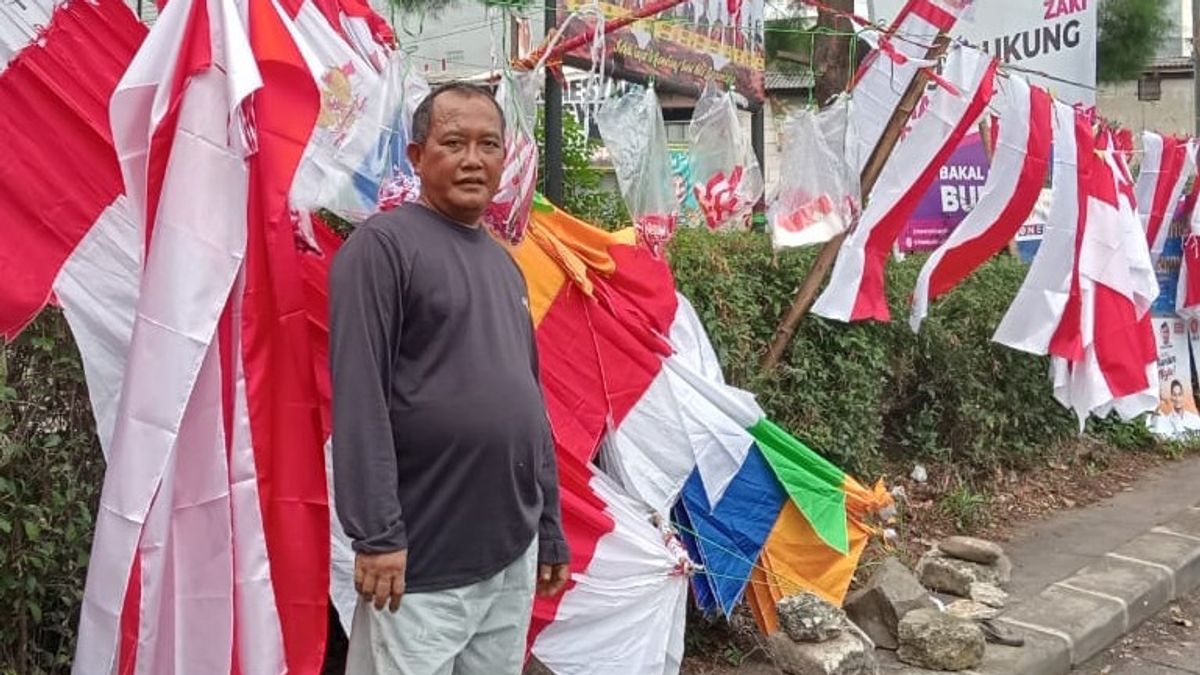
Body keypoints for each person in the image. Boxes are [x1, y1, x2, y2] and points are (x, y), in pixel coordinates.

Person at [328, 82, 571, 675]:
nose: (473, 159)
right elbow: (360, 399)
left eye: (489, 144)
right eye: (454, 142)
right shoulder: (381, 249)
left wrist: (551, 527)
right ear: (416, 157)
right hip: (420, 564)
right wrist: (377, 535)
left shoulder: (503, 266)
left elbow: (528, 405)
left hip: (507, 556)